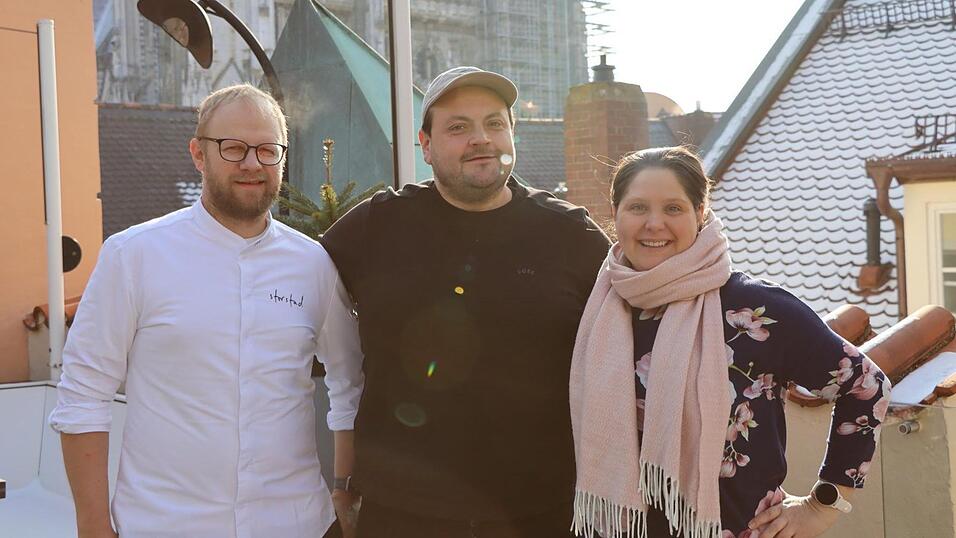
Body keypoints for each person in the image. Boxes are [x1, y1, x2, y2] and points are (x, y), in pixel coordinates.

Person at [49, 84, 363, 538]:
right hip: (164, 525)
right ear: (199, 154)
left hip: (296, 524)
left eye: (267, 150)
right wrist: (93, 526)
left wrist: (343, 491)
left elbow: (348, 382)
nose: (252, 163)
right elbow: (83, 394)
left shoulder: (312, 263)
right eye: (233, 148)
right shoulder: (134, 255)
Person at [320, 66, 610, 538]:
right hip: (401, 514)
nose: (482, 139)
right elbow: (286, 300)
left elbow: (656, 321)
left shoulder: (571, 235)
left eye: (494, 123)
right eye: (458, 127)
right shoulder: (376, 227)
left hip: (540, 513)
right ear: (426, 144)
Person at [569, 146, 889, 538]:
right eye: (637, 208)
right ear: (615, 214)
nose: (654, 223)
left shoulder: (756, 309)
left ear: (701, 213)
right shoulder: (596, 313)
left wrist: (822, 505)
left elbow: (866, 385)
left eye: (673, 208)